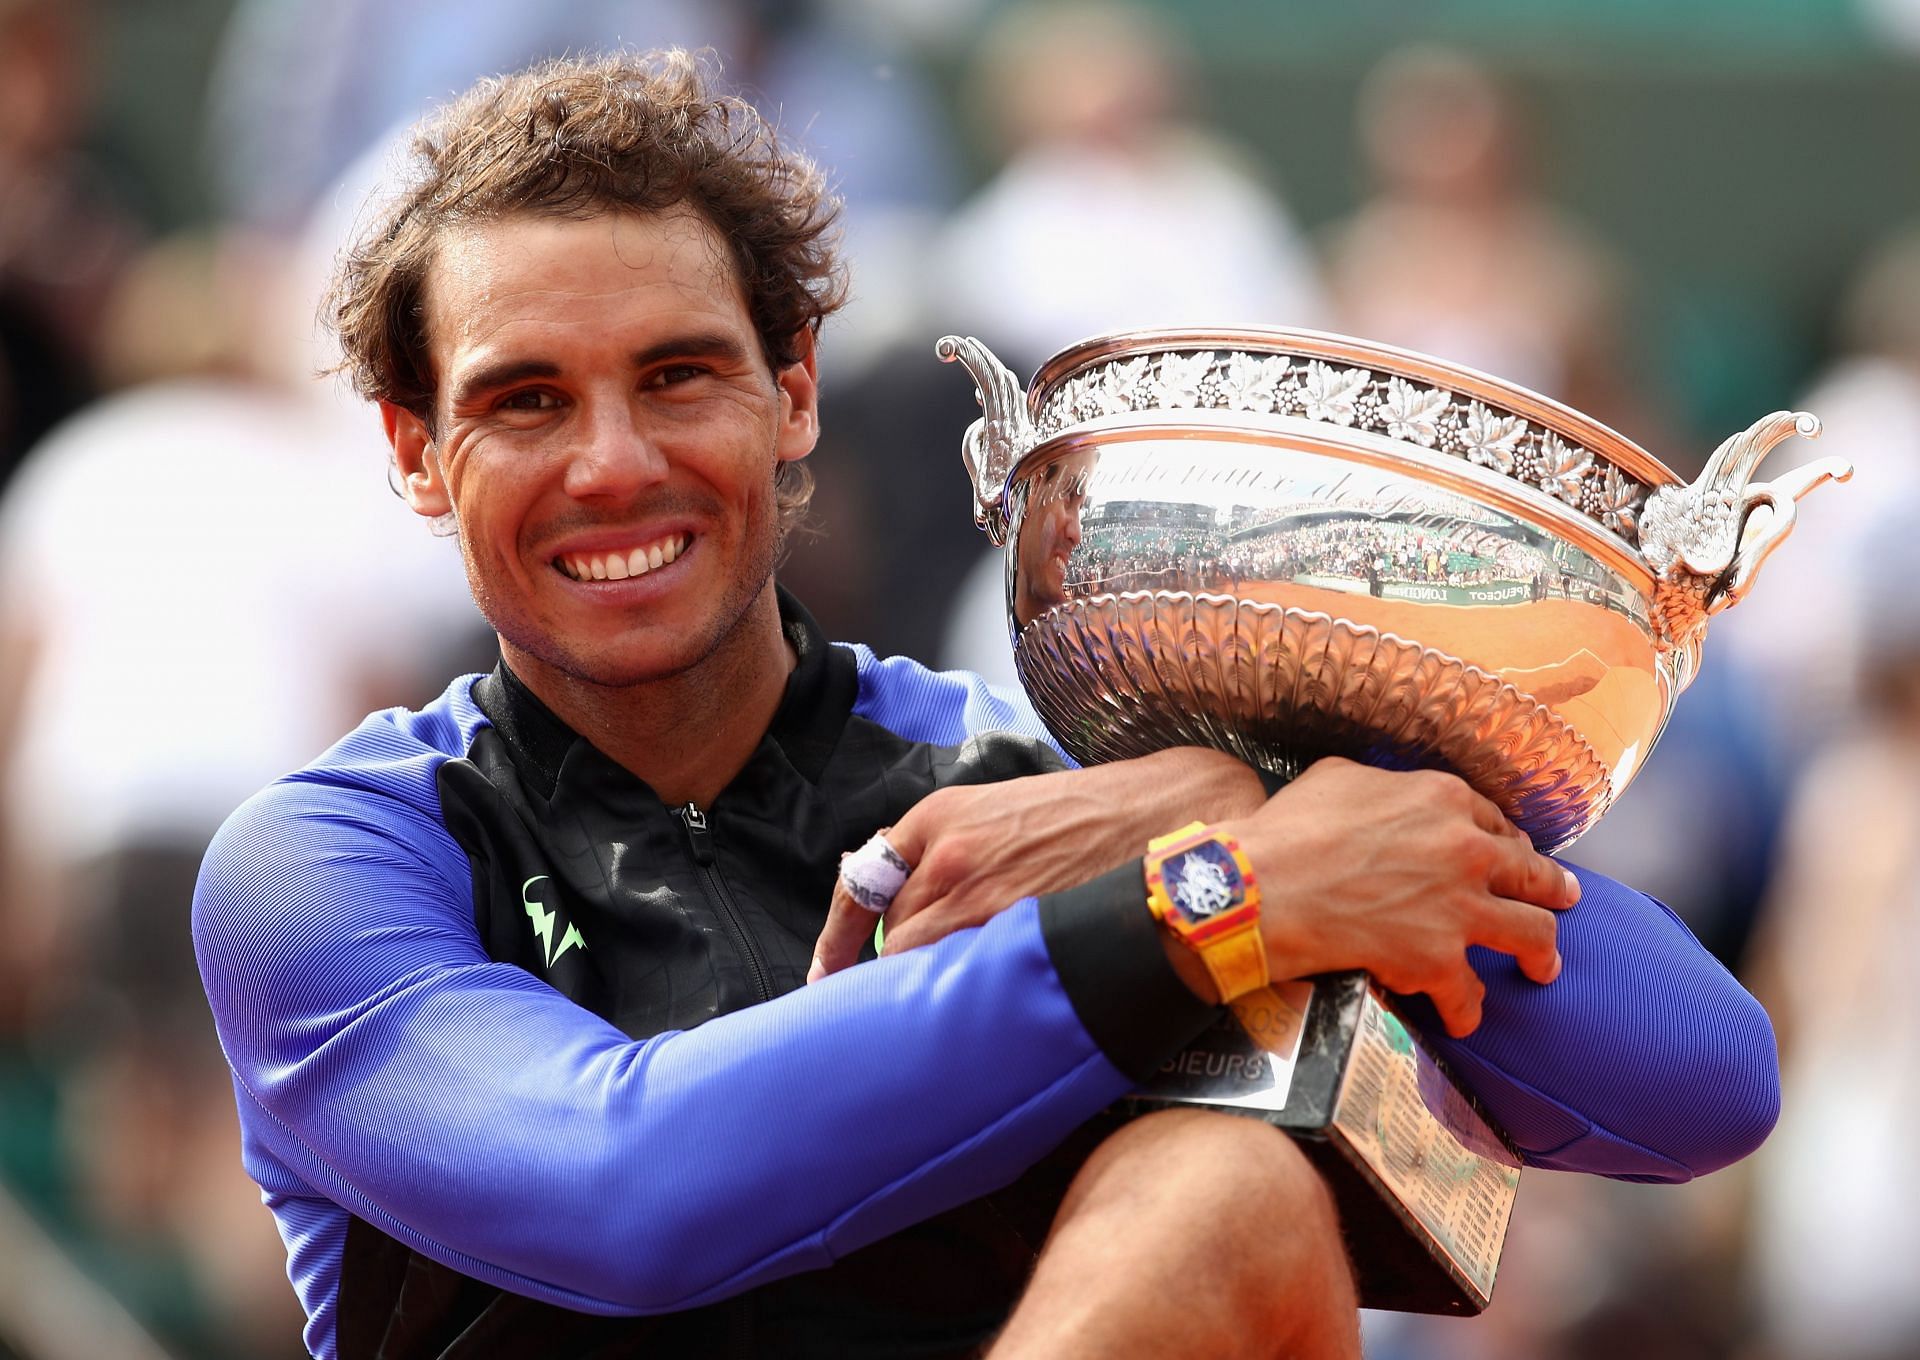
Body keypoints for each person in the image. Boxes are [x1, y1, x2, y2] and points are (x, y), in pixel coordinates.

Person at [193, 51, 1781, 1360]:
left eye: (679, 376)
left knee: (1226, 1196)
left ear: (793, 388)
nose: (613, 462)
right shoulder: (329, 863)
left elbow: (1698, 1084)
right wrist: (1223, 904)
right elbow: (626, 1186)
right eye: (525, 401)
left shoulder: (1047, 780)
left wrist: (1229, 790)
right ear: (413, 451)